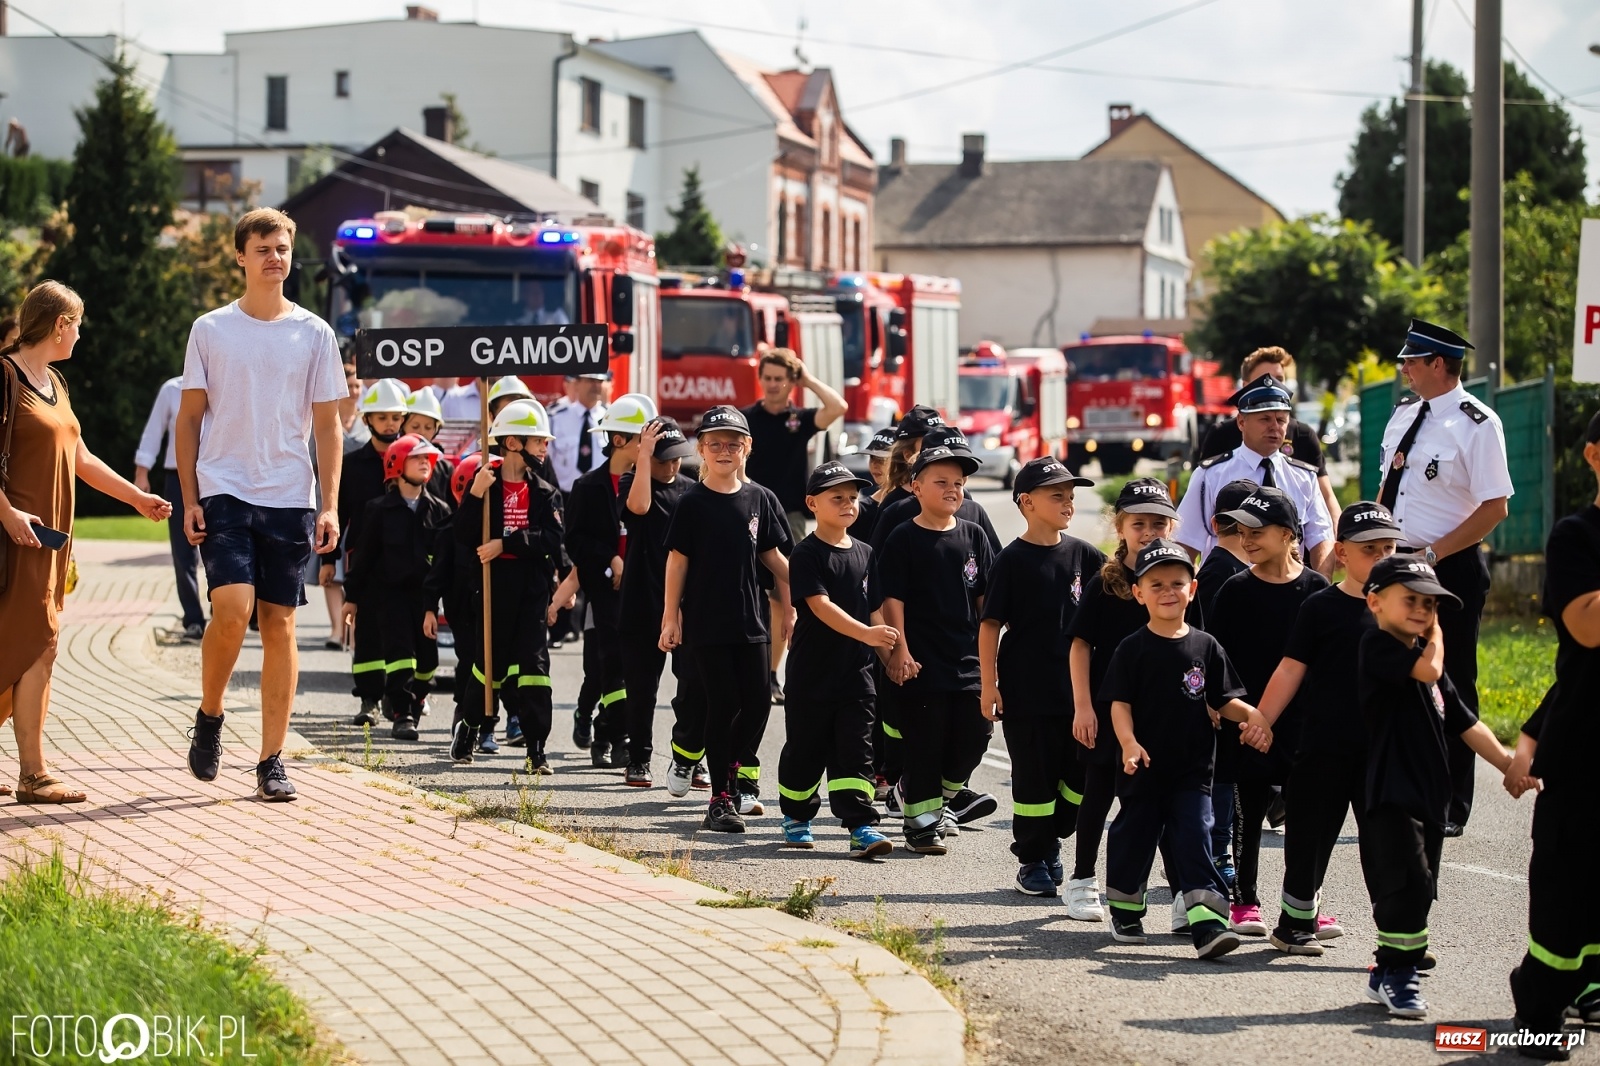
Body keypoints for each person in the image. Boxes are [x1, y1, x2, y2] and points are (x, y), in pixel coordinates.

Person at [178, 208, 346, 802]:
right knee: (232, 611)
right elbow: (190, 418)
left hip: (288, 497)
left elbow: (328, 429)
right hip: (224, 487)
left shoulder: (316, 334)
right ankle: (211, 712)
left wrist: (328, 506)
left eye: (283, 247)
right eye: (264, 248)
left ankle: (272, 759)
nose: (276, 257)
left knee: (278, 623)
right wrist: (190, 497)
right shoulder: (211, 329)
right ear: (241, 257)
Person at [0, 281, 170, 803]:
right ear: (59, 325)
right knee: (35, 646)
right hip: (16, 539)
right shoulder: (4, 375)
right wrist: (6, 514)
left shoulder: (54, 382)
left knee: (33, 646)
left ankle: (32, 771)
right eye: (78, 324)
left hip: (50, 542)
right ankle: (34, 773)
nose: (80, 334)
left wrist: (137, 498)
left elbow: (82, 459)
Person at [1240, 502, 1400, 957]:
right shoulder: (1321, 607)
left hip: (1382, 751)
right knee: (1309, 838)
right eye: (1371, 549)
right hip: (1323, 747)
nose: (1383, 558)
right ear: (1343, 553)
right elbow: (1290, 670)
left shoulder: (1403, 607)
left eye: (1389, 548)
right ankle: (1294, 925)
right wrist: (1262, 719)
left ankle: (1397, 938)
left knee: (1386, 846)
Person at [1356, 555, 1513, 1018]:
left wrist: (1508, 764)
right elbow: (1427, 669)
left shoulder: (1430, 671)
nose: (1424, 611)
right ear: (1376, 602)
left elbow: (1467, 724)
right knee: (1409, 884)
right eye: (1412, 601)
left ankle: (1387, 968)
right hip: (1391, 791)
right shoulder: (1378, 645)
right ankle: (1400, 976)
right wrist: (1439, 637)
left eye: (1431, 605)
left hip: (1429, 796)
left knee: (1422, 886)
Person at [1099, 539, 1268, 959]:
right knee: (1134, 837)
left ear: (1192, 589)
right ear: (1139, 593)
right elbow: (1119, 704)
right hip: (1143, 768)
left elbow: (1223, 699)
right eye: (1156, 584)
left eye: (1177, 582)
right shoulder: (1132, 648)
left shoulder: (1206, 647)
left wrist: (1251, 715)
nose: (1168, 591)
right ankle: (1125, 908)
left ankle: (1208, 925)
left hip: (1194, 770)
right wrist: (1128, 743)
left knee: (1196, 838)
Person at [1376, 319, 1513, 837]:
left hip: (1446, 565)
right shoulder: (1403, 416)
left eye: (1412, 361)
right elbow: (1388, 484)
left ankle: (1453, 800)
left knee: (1451, 679)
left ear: (1438, 364)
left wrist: (1434, 554)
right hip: (1394, 561)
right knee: (1388, 673)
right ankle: (1394, 786)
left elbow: (1495, 505)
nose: (1405, 370)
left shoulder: (1478, 423)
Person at [1505, 409, 1600, 1052]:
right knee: (1567, 889)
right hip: (1588, 750)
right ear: (1593, 456)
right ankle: (1537, 1019)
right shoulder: (1577, 536)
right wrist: (1533, 738)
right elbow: (1588, 630)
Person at [1065, 478, 1197, 923]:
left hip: (1163, 713)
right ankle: (1083, 881)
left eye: (1159, 523)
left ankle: (1182, 893)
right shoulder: (1107, 582)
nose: (1149, 531)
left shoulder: (1178, 579)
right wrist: (1083, 705)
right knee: (1098, 796)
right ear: (1119, 526)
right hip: (1107, 709)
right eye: (1138, 523)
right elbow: (1080, 645)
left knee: (1162, 806)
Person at [1202, 487, 1329, 938]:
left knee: (1307, 817)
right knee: (1247, 815)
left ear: (1289, 534)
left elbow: (1322, 663)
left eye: (1257, 530)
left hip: (1302, 726)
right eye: (1241, 530)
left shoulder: (1317, 589)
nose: (1246, 537)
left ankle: (1304, 904)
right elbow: (1216, 658)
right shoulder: (1235, 590)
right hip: (1245, 723)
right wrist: (1239, 714)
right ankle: (1245, 900)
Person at [659, 405, 790, 833]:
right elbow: (677, 563)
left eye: (733, 443)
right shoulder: (691, 503)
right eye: (714, 444)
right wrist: (670, 618)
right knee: (721, 706)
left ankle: (731, 774)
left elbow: (772, 557)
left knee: (756, 705)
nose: (724, 450)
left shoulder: (760, 499)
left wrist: (810, 590)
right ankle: (719, 798)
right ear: (701, 450)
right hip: (706, 623)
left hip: (752, 622)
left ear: (747, 448)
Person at [979, 457, 1104, 896]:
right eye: (1058, 495)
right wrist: (989, 685)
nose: (1068, 503)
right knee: (1034, 779)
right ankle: (1033, 858)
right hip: (1026, 692)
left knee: (1080, 777)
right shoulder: (1011, 560)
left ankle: (1053, 835)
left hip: (1078, 694)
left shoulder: (1085, 555)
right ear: (1027, 502)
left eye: (1071, 496)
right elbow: (990, 624)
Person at [879, 444, 998, 854]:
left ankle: (941, 801)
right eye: (941, 482)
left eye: (959, 484)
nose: (952, 490)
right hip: (921, 663)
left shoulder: (974, 535)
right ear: (916, 487)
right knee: (926, 741)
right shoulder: (903, 537)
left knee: (975, 733)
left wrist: (994, 665)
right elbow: (892, 600)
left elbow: (986, 603)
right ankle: (920, 824)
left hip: (966, 659)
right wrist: (900, 651)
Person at [775, 461, 897, 859]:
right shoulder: (805, 554)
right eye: (837, 497)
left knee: (856, 750)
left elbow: (874, 610)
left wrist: (891, 657)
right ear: (812, 503)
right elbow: (820, 606)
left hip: (857, 676)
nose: (848, 504)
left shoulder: (865, 552)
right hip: (812, 674)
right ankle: (796, 816)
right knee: (806, 749)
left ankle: (860, 825)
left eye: (853, 497)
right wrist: (866, 633)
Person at [455, 400, 565, 773]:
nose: (545, 449)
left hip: (531, 589)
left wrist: (508, 543)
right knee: (489, 666)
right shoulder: (485, 485)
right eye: (538, 441)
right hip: (492, 586)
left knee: (534, 668)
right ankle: (470, 726)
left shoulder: (546, 492)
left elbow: (552, 537)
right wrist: (474, 495)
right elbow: (463, 535)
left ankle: (536, 749)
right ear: (514, 442)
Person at [740, 348, 848, 703]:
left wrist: (807, 380)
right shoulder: (746, 418)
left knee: (782, 598)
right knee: (746, 591)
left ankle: (771, 675)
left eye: (779, 379)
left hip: (791, 517)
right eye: (767, 378)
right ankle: (750, 668)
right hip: (748, 511)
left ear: (790, 382)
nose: (772, 385)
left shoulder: (797, 420)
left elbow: (838, 408)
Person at [566, 393, 656, 778]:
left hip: (640, 592)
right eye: (642, 441)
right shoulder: (588, 486)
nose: (649, 451)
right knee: (606, 667)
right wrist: (610, 559)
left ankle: (609, 735)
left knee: (628, 670)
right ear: (619, 441)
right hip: (603, 592)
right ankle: (612, 737)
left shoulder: (650, 482)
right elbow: (576, 540)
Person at [341, 434, 450, 740]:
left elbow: (444, 560)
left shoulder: (438, 509)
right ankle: (403, 715)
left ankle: (413, 700)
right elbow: (362, 557)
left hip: (424, 599)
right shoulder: (378, 509)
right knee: (401, 653)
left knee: (429, 661)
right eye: (417, 458)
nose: (425, 463)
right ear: (396, 464)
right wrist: (352, 597)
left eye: (427, 459)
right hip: (389, 595)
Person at [619, 417, 706, 793]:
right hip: (641, 603)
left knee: (692, 688)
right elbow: (638, 508)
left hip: (687, 606)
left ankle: (689, 756)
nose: (671, 467)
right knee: (641, 689)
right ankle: (638, 756)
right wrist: (643, 457)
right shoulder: (633, 483)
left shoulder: (692, 492)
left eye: (676, 459)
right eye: (662, 459)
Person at [1176, 375, 1334, 576]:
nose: (1274, 426)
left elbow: (1322, 539)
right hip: (1227, 594)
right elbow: (1185, 543)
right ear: (1241, 422)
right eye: (1265, 419)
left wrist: (1320, 592)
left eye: (1281, 419)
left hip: (1288, 592)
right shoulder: (1211, 475)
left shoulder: (1303, 477)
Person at [325, 377, 411, 727]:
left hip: (406, 562)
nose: (390, 424)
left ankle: (400, 700)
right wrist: (328, 561)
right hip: (365, 562)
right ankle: (369, 700)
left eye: (395, 417)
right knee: (368, 633)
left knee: (402, 633)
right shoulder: (353, 464)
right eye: (382, 417)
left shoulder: (413, 460)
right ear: (367, 421)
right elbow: (338, 514)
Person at [1197, 346, 1339, 529]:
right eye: (1264, 379)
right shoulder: (1222, 434)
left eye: (1279, 379)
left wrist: (1337, 534)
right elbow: (1202, 500)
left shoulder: (1304, 435)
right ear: (1246, 386)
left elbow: (1326, 496)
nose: (1272, 384)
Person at [134, 375, 207, 641]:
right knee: (183, 552)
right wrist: (142, 472)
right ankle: (194, 619)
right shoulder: (172, 389)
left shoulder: (226, 382)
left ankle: (228, 609)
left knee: (223, 544)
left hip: (217, 476)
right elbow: (154, 431)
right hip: (177, 476)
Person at [549, 372, 608, 493]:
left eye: (600, 381)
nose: (596, 386)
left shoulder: (610, 418)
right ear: (576, 383)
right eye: (590, 380)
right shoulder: (556, 418)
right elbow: (547, 458)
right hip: (565, 495)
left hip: (600, 495)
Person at [402, 386, 456, 508]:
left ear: (436, 430)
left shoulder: (445, 470)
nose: (421, 432)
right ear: (402, 425)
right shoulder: (393, 461)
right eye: (415, 426)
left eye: (428, 428)